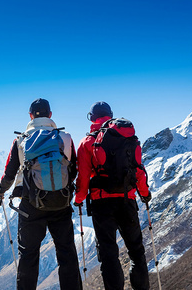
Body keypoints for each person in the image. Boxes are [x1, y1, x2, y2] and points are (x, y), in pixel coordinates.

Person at [0, 98, 83, 290]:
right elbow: (74, 168)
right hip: (61, 203)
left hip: (30, 205)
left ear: (30, 115)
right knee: (66, 253)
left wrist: (1, 190)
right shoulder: (65, 137)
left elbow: (9, 172)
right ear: (50, 115)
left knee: (28, 255)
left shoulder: (21, 140)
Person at [73, 101, 152, 290]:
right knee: (136, 252)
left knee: (109, 255)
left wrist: (78, 199)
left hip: (102, 204)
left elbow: (83, 178)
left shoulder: (87, 142)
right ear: (111, 115)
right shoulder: (129, 139)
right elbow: (138, 170)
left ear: (92, 118)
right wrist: (145, 194)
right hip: (127, 200)